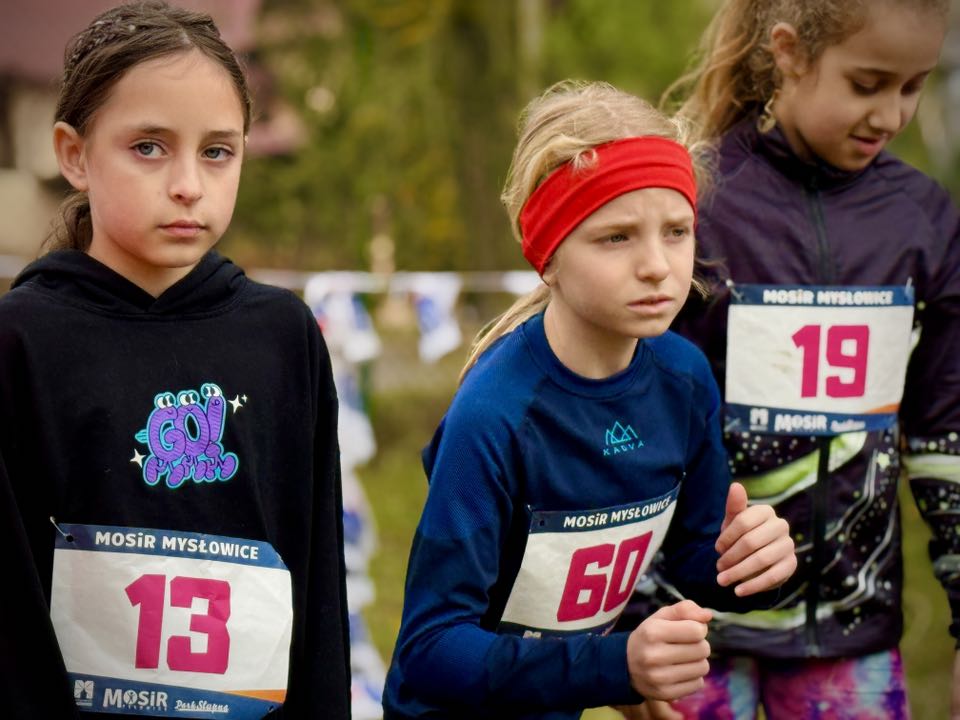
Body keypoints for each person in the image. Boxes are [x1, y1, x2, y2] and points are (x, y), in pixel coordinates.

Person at [380, 80, 797, 720]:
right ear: (549, 255)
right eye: (617, 237)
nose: (658, 265)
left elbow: (695, 559)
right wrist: (615, 667)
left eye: (677, 231)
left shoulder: (684, 378)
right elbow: (430, 648)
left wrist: (754, 563)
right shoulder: (495, 414)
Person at [0, 2, 350, 718]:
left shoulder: (285, 338)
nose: (189, 183)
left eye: (217, 151)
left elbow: (315, 589)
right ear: (73, 154)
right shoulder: (18, 343)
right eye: (150, 147)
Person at [626, 1, 960, 718]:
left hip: (851, 648)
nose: (892, 114)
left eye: (913, 86)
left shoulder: (925, 222)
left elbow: (945, 437)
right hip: (694, 635)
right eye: (868, 84)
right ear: (788, 52)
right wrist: (634, 617)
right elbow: (632, 425)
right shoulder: (695, 207)